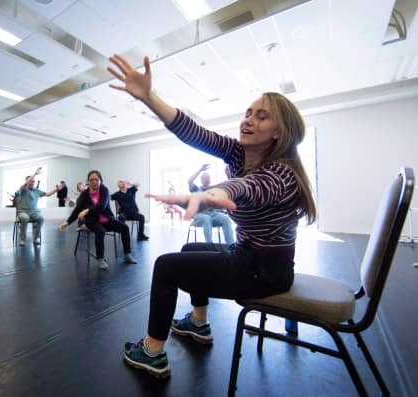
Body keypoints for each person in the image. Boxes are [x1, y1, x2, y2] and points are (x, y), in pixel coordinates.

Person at [107, 53, 316, 378]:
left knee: (164, 266)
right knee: (191, 250)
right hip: (249, 256)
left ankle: (152, 351)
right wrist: (149, 96)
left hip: (264, 272)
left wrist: (210, 195)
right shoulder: (238, 152)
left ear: (279, 131)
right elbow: (193, 132)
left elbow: (244, 188)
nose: (248, 120)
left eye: (261, 117)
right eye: (248, 113)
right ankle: (199, 323)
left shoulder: (281, 174)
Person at [58, 170, 137, 270]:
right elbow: (77, 209)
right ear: (88, 181)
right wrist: (68, 222)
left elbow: (101, 206)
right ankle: (100, 258)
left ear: (100, 180)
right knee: (100, 231)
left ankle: (127, 254)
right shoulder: (85, 194)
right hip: (92, 221)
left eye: (96, 179)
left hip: (107, 219)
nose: (94, 181)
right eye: (91, 180)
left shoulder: (104, 190)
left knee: (124, 228)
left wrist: (87, 210)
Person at [187, 164, 235, 244]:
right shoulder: (196, 189)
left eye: (208, 178)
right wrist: (200, 170)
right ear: (201, 180)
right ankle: (210, 246)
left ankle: (231, 245)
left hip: (213, 214)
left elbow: (228, 186)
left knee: (225, 219)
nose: (207, 180)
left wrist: (229, 176)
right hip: (199, 215)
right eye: (205, 178)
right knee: (206, 218)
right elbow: (190, 181)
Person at [16, 167, 58, 246]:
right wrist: (35, 174)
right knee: (25, 218)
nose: (32, 183)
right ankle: (22, 239)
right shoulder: (23, 189)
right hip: (23, 212)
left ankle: (36, 238)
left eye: (33, 181)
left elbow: (48, 194)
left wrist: (56, 189)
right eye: (31, 181)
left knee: (41, 218)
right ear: (27, 182)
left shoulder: (37, 190)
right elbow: (25, 184)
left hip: (35, 212)